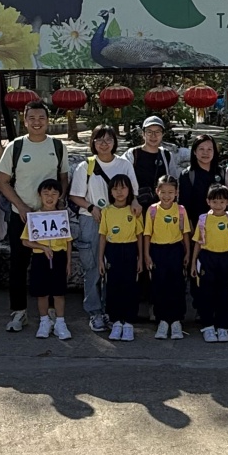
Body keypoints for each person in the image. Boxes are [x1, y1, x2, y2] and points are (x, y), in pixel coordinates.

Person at [0, 98, 67, 333]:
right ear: (24, 121)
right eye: (32, 118)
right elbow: (2, 181)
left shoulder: (57, 146)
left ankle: (52, 312)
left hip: (49, 217)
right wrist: (21, 206)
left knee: (51, 263)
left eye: (41, 118)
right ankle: (19, 312)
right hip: (21, 215)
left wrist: (58, 203)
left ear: (48, 120)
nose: (37, 122)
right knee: (19, 264)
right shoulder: (15, 147)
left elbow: (63, 177)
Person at [69, 126, 134, 335]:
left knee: (114, 268)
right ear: (93, 142)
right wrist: (91, 207)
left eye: (108, 139)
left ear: (115, 142)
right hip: (92, 220)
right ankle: (95, 311)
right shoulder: (85, 166)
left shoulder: (124, 164)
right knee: (93, 268)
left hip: (119, 221)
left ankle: (111, 311)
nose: (104, 144)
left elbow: (133, 193)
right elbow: (75, 195)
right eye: (99, 140)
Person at [22, 177, 72, 340]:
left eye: (54, 194)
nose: (50, 197)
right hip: (40, 257)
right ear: (40, 195)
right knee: (41, 292)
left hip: (59, 256)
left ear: (59, 196)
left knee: (59, 292)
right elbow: (25, 241)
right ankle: (44, 321)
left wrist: (68, 262)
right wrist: (42, 247)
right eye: (46, 193)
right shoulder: (34, 217)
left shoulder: (62, 216)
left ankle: (60, 322)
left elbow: (68, 241)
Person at [142, 174, 189, 340]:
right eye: (163, 192)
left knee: (177, 285)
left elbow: (185, 233)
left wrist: (187, 253)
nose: (167, 196)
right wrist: (146, 254)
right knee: (159, 285)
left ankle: (176, 321)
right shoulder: (152, 210)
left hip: (175, 250)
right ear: (157, 191)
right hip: (157, 250)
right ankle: (162, 320)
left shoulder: (181, 210)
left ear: (176, 193)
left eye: (171, 192)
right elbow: (147, 234)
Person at [97, 172, 143, 343]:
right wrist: (100, 259)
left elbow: (139, 235)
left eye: (123, 188)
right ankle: (116, 322)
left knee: (130, 286)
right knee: (114, 287)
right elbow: (103, 236)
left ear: (129, 190)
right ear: (110, 192)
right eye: (115, 189)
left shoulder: (135, 210)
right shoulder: (106, 211)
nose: (119, 192)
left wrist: (140, 258)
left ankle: (129, 323)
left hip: (130, 249)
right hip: (113, 251)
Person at [193, 185, 228, 343]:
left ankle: (223, 326)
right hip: (207, 258)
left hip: (224, 258)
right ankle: (208, 326)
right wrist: (193, 264)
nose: (218, 205)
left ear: (227, 202)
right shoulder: (203, 219)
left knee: (223, 293)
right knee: (206, 293)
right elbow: (198, 242)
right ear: (208, 201)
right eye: (214, 201)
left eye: (222, 202)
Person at [125, 116, 180, 211]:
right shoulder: (133, 154)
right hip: (137, 207)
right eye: (149, 132)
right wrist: (133, 199)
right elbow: (122, 179)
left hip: (161, 209)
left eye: (157, 132)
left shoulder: (166, 155)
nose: (153, 136)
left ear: (163, 134)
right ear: (143, 134)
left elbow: (174, 182)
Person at [178, 134, 225, 215]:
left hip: (219, 221)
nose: (205, 152)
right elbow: (184, 204)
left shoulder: (221, 172)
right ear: (194, 151)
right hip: (196, 221)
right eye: (201, 149)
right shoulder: (188, 174)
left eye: (209, 149)